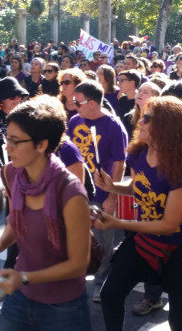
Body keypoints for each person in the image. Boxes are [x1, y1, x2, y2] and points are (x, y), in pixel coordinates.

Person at [94, 96, 182, 331]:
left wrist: (119, 222)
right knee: (110, 295)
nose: (140, 122)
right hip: (145, 241)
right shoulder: (139, 154)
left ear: (167, 126)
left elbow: (169, 224)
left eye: (147, 118)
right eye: (141, 116)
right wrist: (112, 187)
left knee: (179, 322)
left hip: (181, 249)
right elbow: (139, 187)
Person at [0, 95, 92, 330]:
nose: (7, 147)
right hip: (20, 295)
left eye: (16, 141)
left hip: (63, 306)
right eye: (8, 138)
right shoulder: (12, 173)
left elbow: (78, 265)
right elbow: (18, 223)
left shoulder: (71, 191)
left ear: (41, 144)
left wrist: (25, 277)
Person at [67, 80, 128, 302]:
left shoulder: (113, 126)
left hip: (102, 195)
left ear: (92, 103)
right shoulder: (74, 121)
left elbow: (120, 164)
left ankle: (102, 282)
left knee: (104, 242)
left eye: (77, 101)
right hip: (76, 192)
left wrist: (113, 197)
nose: (73, 105)